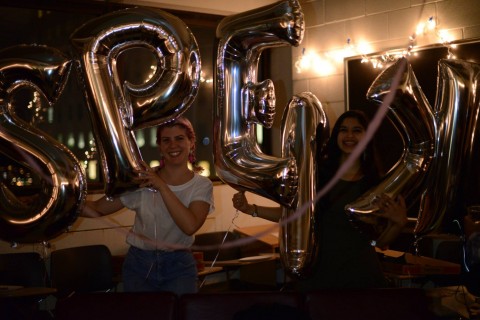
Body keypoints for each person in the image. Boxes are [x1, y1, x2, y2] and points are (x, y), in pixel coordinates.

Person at [232, 109, 407, 290]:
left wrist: (398, 223)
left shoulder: (376, 183)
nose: (349, 135)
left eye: (357, 130)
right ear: (335, 136)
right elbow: (294, 217)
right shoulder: (317, 176)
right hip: (319, 273)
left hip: (360, 275)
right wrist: (251, 209)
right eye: (343, 130)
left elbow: (379, 242)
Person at [81, 116, 214, 295]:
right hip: (139, 264)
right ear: (159, 147)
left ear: (191, 142)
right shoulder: (143, 181)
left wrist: (161, 186)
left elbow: (189, 226)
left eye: (180, 139)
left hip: (179, 266)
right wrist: (60, 205)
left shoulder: (202, 185)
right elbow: (97, 208)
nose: (173, 145)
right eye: (166, 140)